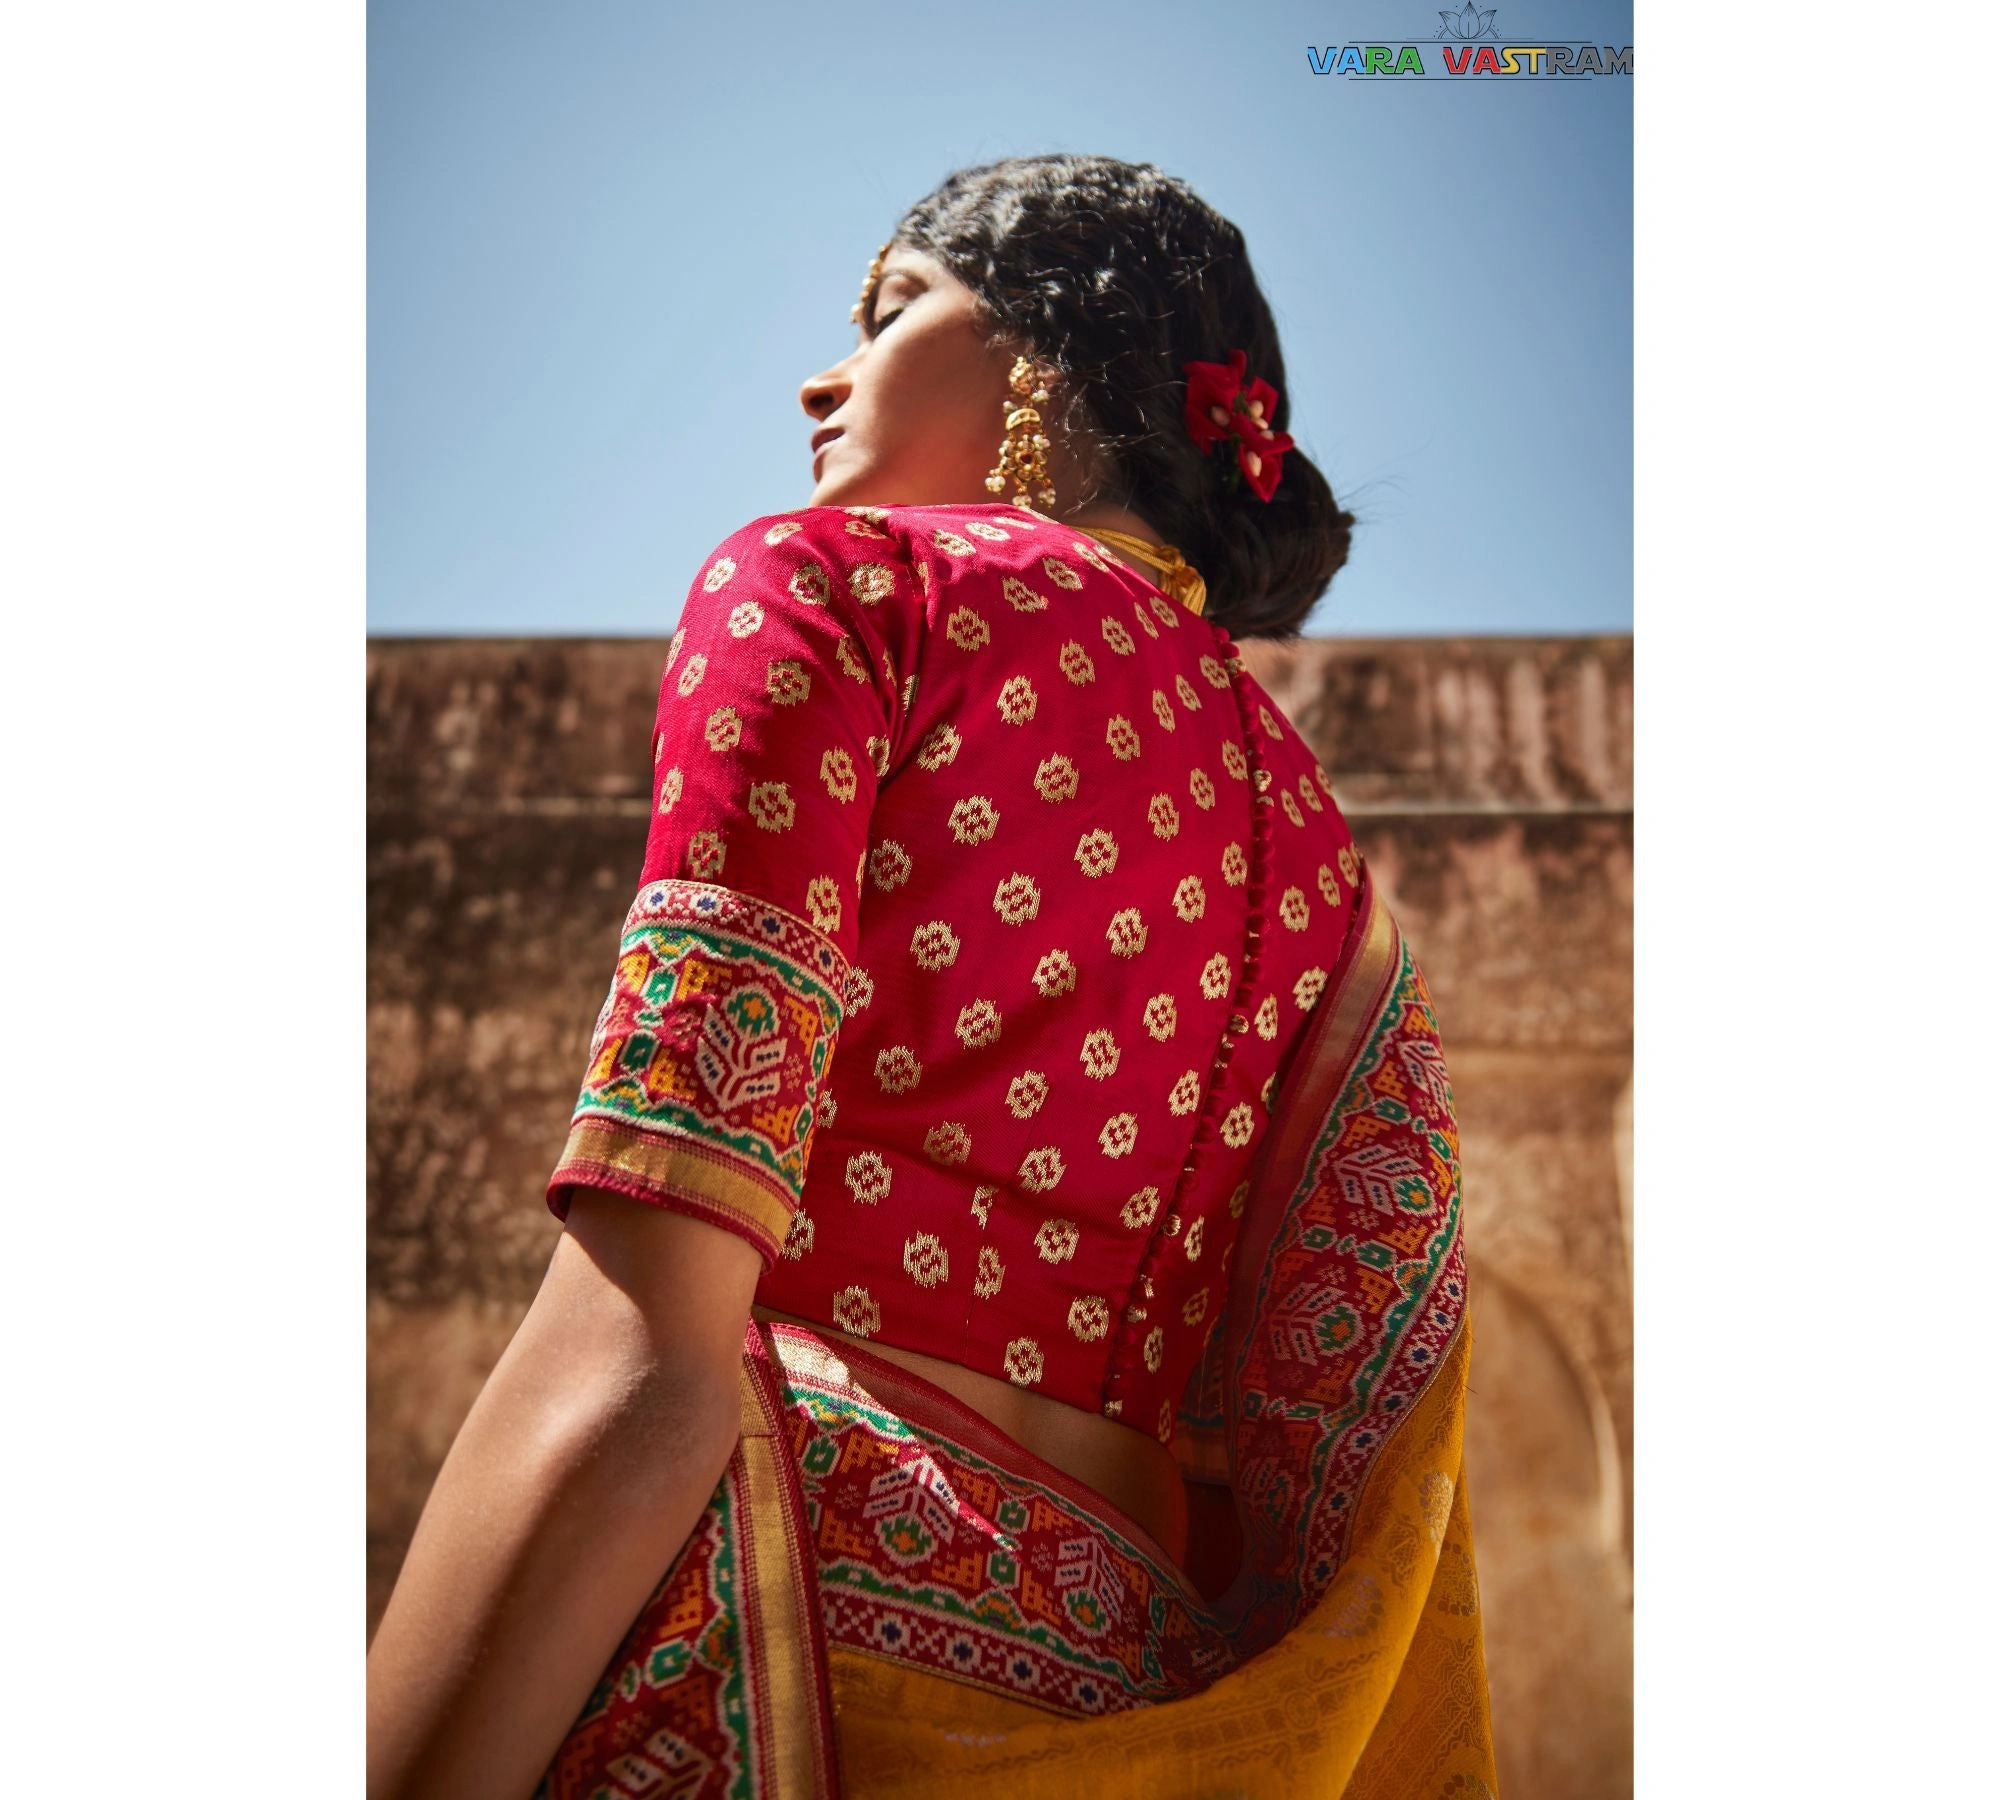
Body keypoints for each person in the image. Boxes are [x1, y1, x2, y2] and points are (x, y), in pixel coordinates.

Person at [366, 153, 1497, 1800]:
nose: (822, 373)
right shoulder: (1317, 847)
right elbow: (1321, 1425)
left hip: (786, 1631)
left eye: (893, 309)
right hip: (1148, 1688)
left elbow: (641, 1339)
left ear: (1045, 363)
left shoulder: (838, 595)